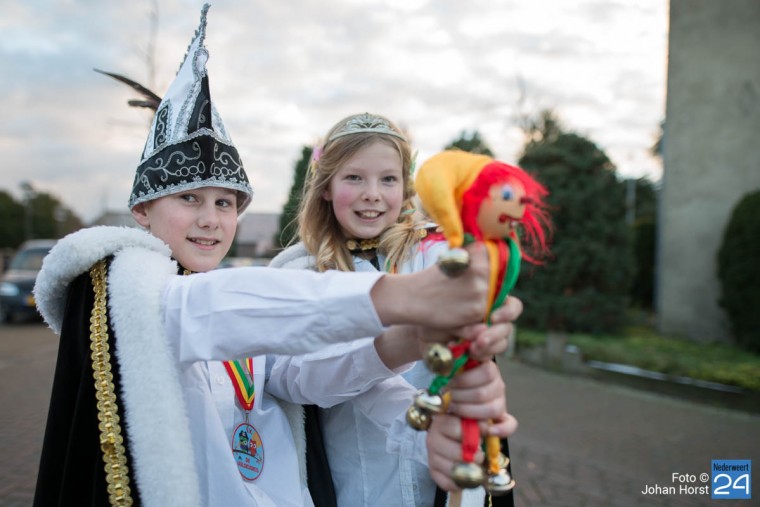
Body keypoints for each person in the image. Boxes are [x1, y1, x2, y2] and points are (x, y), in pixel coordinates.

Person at [32, 7, 508, 507]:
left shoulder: (244, 313)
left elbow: (308, 376)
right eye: (189, 199)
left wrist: (408, 349)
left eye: (225, 203)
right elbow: (217, 308)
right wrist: (403, 298)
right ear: (142, 210)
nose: (211, 219)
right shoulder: (131, 294)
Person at [269, 112, 519, 507]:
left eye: (388, 179)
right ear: (326, 187)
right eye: (354, 178)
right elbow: (297, 377)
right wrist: (397, 346)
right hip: (356, 481)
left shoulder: (438, 258)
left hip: (440, 481)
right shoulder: (299, 273)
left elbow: (478, 321)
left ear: (405, 187)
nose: (373, 193)